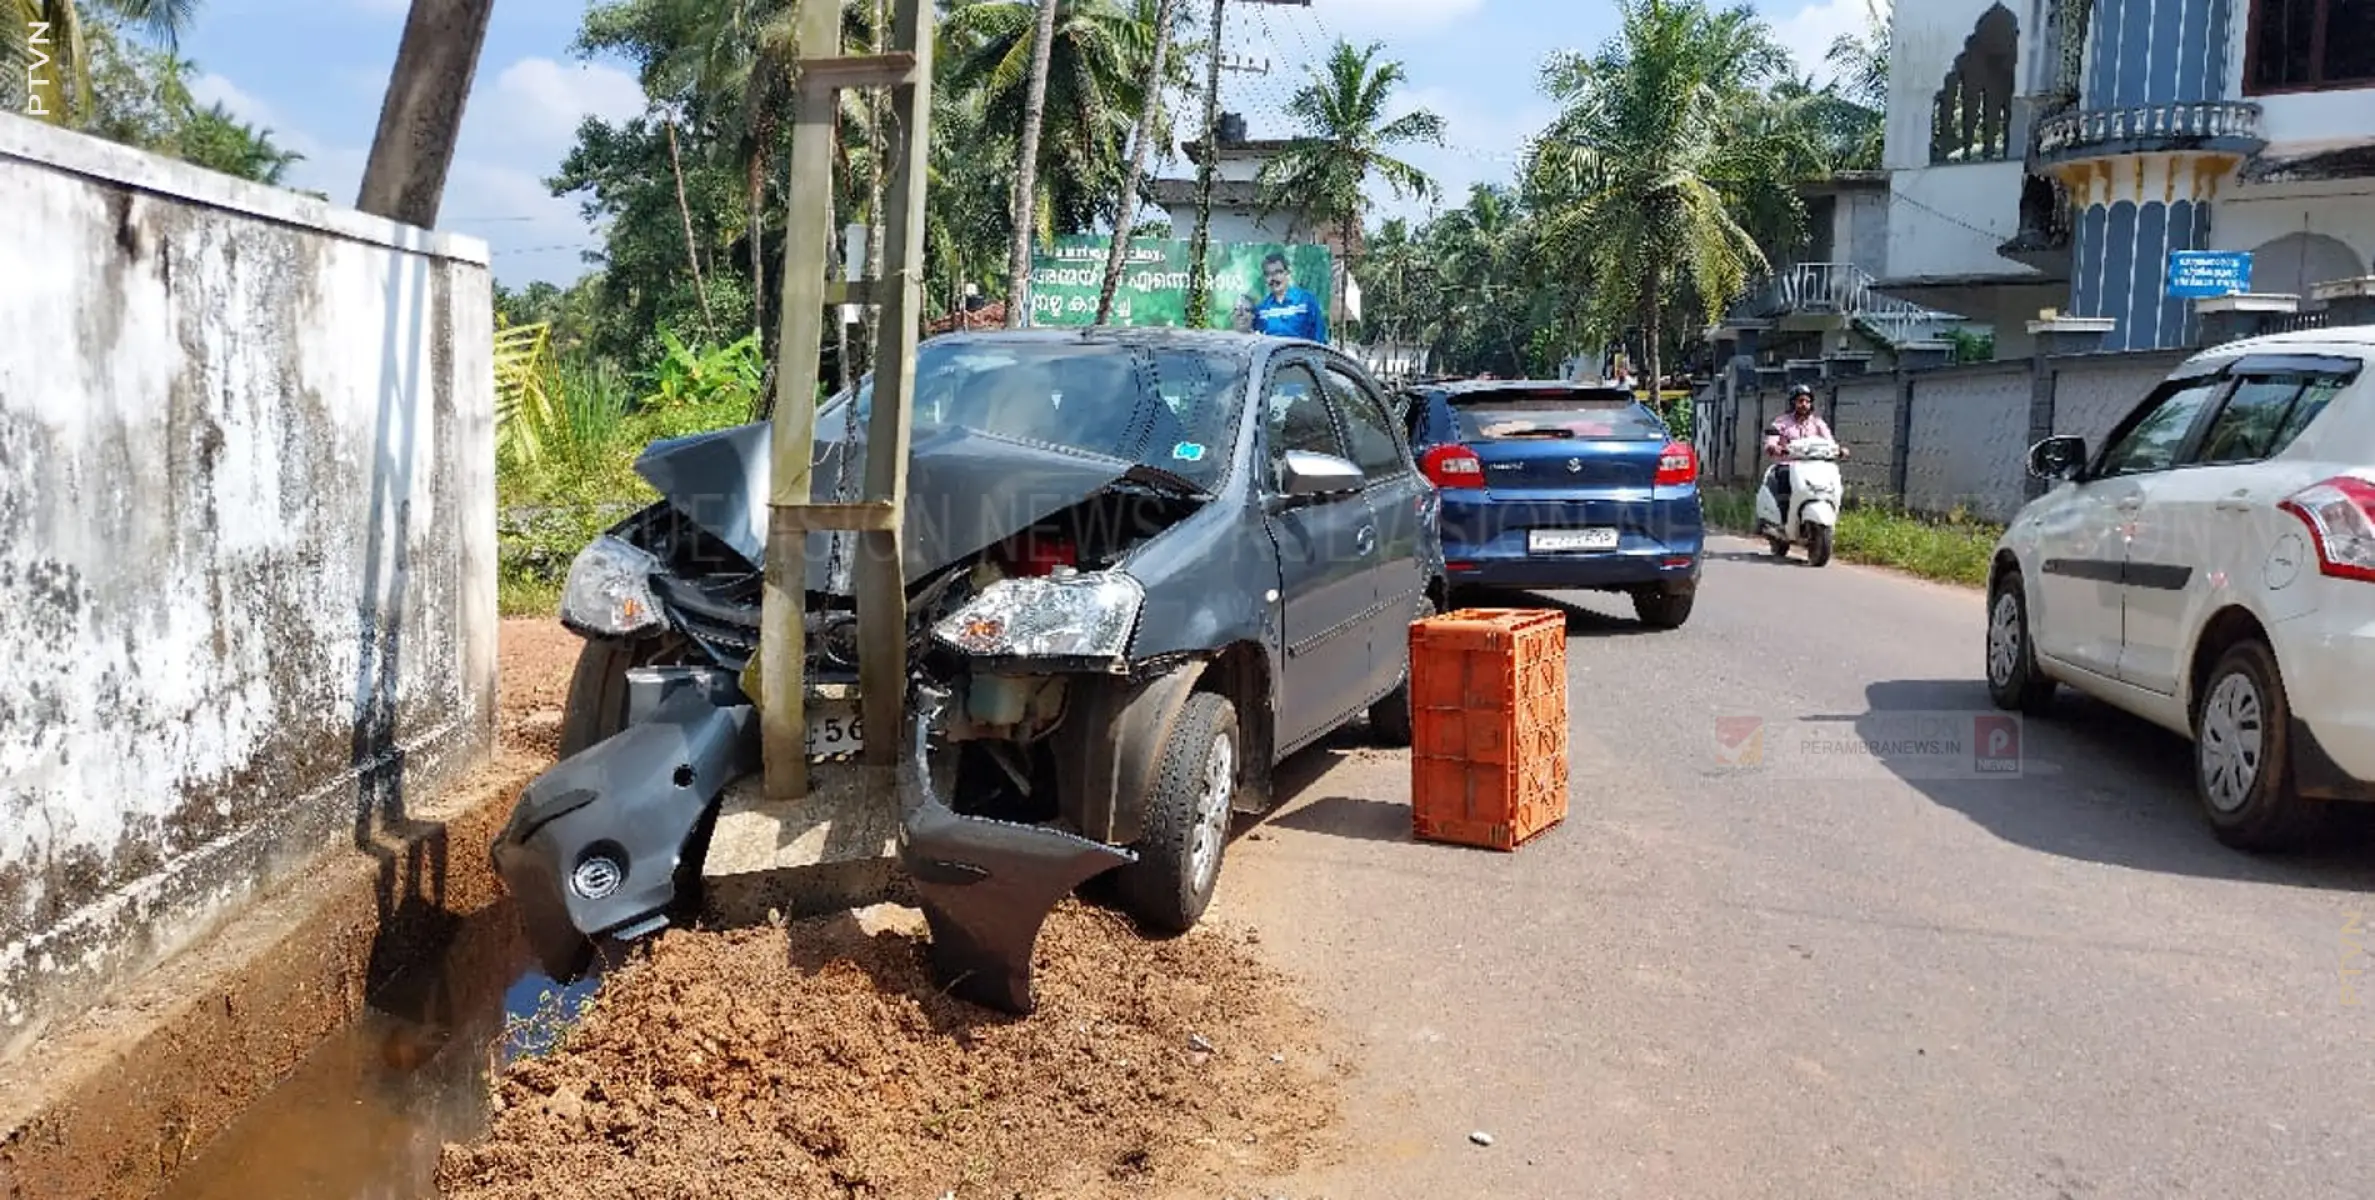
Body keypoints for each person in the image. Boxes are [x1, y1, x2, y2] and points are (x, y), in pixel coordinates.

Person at [1763, 384, 1845, 509]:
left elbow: (1830, 443)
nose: (1804, 404)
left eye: (1808, 401)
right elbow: (1771, 441)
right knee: (1783, 477)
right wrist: (1774, 447)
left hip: (1814, 467)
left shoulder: (1818, 423)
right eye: (1800, 401)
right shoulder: (1780, 423)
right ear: (1793, 403)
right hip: (1789, 466)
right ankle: (1783, 515)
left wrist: (1839, 450)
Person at [1250, 251, 1327, 342]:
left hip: (1303, 354)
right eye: (1268, 274)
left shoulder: (1306, 300)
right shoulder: (1262, 309)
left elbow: (1319, 335)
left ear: (1287, 273)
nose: (1273, 278)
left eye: (1277, 272)